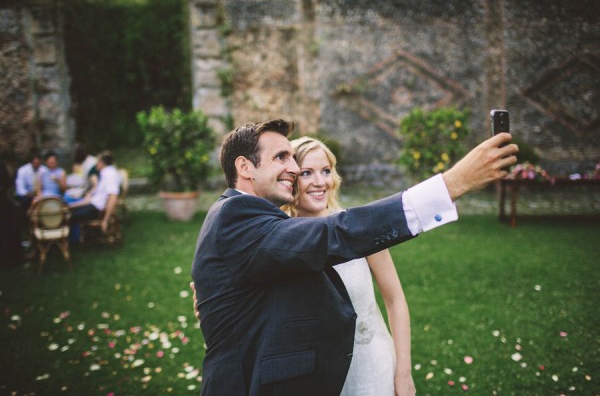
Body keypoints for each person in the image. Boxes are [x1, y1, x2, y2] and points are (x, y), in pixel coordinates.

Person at [191, 119, 517, 395]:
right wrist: (452, 183)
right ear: (245, 166)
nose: (292, 168)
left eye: (293, 158)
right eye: (281, 158)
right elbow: (336, 234)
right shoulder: (237, 215)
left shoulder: (250, 219)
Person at [282, 136, 415, 396]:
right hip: (312, 376)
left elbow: (395, 300)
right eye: (307, 173)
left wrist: (404, 373)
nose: (320, 182)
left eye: (326, 171)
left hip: (371, 371)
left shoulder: (359, 229)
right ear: (290, 179)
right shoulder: (278, 239)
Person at [69, 151, 120, 233]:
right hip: (93, 205)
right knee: (68, 212)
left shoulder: (110, 175)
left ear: (102, 163)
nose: (96, 164)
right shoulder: (104, 173)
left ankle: (71, 241)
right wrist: (72, 206)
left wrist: (105, 220)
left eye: (97, 162)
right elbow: (92, 199)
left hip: (96, 210)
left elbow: (113, 197)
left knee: (69, 217)